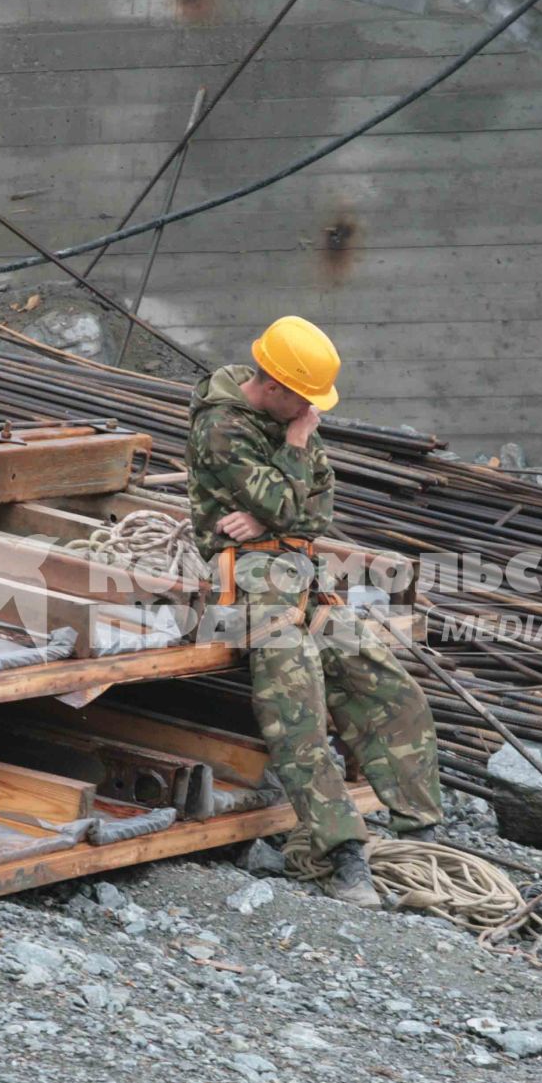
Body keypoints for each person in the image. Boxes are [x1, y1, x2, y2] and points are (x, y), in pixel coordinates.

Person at [185, 315, 442, 907]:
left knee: (381, 678)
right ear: (273, 385)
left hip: (299, 571)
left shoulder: (288, 414)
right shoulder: (222, 427)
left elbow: (316, 506)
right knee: (295, 704)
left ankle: (420, 828)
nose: (310, 414)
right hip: (243, 580)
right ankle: (342, 855)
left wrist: (273, 510)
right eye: (302, 402)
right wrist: (292, 460)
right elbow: (286, 495)